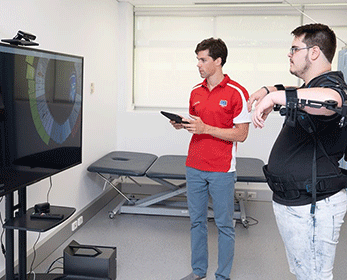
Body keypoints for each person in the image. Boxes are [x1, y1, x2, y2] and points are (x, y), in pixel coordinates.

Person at [248, 23, 347, 280]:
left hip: (313, 206)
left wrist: (275, 98)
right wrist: (270, 91)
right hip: (297, 203)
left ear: (314, 52)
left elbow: (332, 101)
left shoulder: (332, 86)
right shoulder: (310, 87)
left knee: (314, 276)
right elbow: (298, 93)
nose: (289, 54)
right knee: (304, 272)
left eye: (294, 48)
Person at [170, 37, 251, 280]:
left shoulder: (237, 92)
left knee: (224, 225)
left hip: (221, 169)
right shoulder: (195, 91)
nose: (199, 64)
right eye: (197, 59)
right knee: (196, 222)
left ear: (218, 60)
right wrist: (182, 125)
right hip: (194, 165)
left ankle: (222, 276)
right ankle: (198, 271)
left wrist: (207, 129)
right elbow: (197, 125)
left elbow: (242, 134)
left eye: (203, 59)